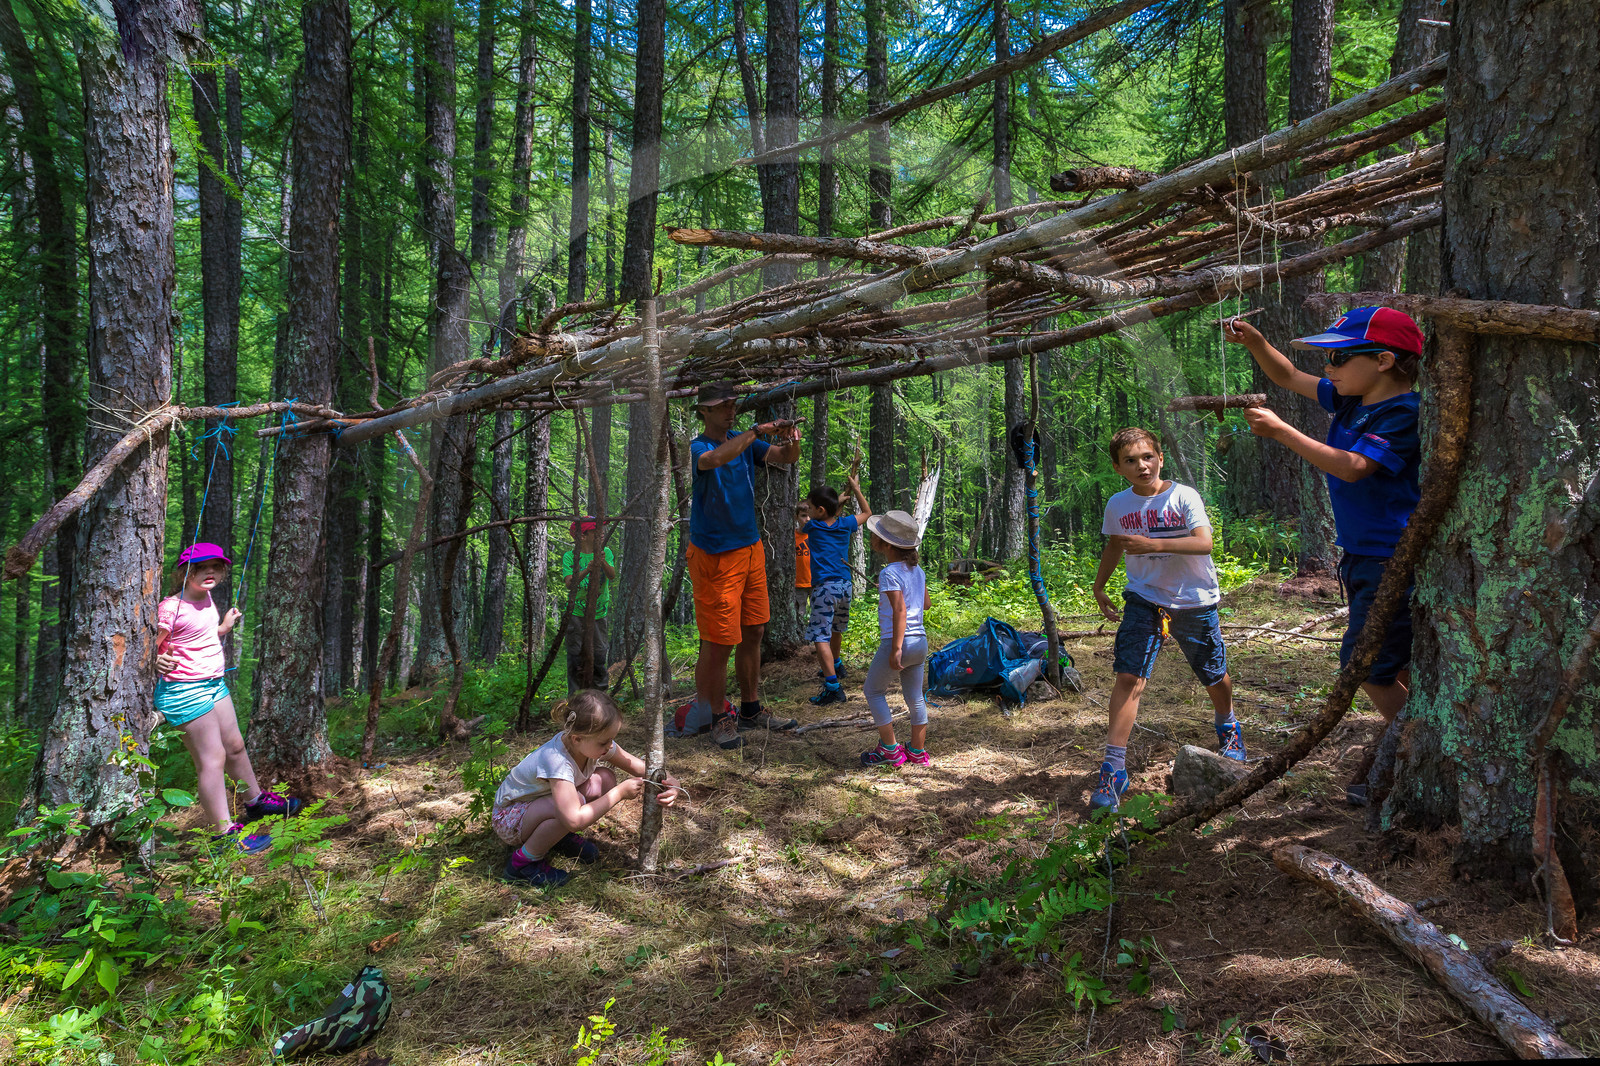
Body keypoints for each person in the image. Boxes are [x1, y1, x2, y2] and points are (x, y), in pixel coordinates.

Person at [1224, 306, 1424, 805]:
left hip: (1390, 560)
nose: (1328, 367)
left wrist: (1283, 433)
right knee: (1395, 666)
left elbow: (1355, 466)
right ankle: (1411, 749)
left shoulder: (1403, 412)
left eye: (1337, 357)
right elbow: (1289, 374)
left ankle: (1427, 749)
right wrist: (1254, 342)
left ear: (1382, 360)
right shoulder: (1352, 399)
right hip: (1361, 556)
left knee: (1367, 668)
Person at [1090, 428, 1240, 813]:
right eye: (1130, 460)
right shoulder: (1118, 505)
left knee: (1212, 672)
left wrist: (1154, 543)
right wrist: (1100, 586)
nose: (1141, 465)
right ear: (1118, 467)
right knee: (1129, 675)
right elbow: (1114, 545)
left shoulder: (1183, 495)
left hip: (1194, 600)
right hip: (1144, 599)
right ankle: (1114, 766)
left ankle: (1227, 725)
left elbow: (1204, 542)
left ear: (1160, 457)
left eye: (1147, 457)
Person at [673, 380, 804, 749]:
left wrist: (791, 437)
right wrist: (755, 431)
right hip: (715, 556)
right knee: (717, 642)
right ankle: (715, 717)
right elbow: (714, 460)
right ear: (705, 411)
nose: (731, 409)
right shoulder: (701, 446)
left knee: (754, 631)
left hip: (750, 549)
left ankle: (750, 709)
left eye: (733, 403)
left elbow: (785, 458)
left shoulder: (744, 442)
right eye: (723, 405)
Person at [153, 543, 301, 853]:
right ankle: (224, 837)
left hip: (214, 684)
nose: (209, 572)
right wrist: (156, 659)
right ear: (184, 572)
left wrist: (223, 628)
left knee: (235, 746)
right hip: (184, 690)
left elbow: (199, 636)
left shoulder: (207, 598)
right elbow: (152, 646)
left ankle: (256, 802)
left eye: (216, 567)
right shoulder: (170, 607)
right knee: (212, 759)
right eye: (200, 567)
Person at [492, 689, 682, 887]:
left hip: (535, 809)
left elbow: (637, 766)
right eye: (604, 742)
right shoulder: (556, 761)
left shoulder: (590, 742)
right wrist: (618, 793)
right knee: (575, 806)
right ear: (577, 738)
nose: (610, 746)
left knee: (605, 778)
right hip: (508, 818)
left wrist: (672, 781)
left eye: (611, 739)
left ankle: (557, 838)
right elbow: (575, 820)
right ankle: (522, 864)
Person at [859, 511, 932, 768]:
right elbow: (926, 604)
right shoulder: (917, 570)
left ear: (887, 545)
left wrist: (897, 648)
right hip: (920, 641)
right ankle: (917, 752)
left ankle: (890, 751)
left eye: (876, 535)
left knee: (873, 691)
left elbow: (900, 610)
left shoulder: (889, 573)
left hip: (898, 641)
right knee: (915, 697)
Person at [805, 474, 870, 707]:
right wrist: (856, 490)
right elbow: (867, 513)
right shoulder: (845, 525)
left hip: (825, 588)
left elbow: (824, 518)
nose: (808, 511)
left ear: (820, 510)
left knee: (820, 636)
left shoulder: (812, 527)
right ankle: (837, 664)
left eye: (811, 508)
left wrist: (839, 502)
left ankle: (832, 686)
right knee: (836, 628)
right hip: (845, 586)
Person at [560, 517, 616, 694]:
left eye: (602, 530)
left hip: (599, 614)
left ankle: (600, 696)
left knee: (599, 654)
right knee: (575, 655)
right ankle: (575, 697)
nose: (601, 534)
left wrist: (602, 562)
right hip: (576, 615)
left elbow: (612, 575)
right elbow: (570, 583)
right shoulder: (570, 556)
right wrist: (588, 569)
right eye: (596, 531)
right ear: (582, 536)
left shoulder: (605, 551)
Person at [794, 506, 812, 624]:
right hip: (798, 582)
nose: (807, 519)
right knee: (799, 613)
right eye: (803, 516)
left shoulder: (817, 535)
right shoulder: (791, 536)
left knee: (817, 613)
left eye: (810, 515)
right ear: (796, 517)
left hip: (815, 582)